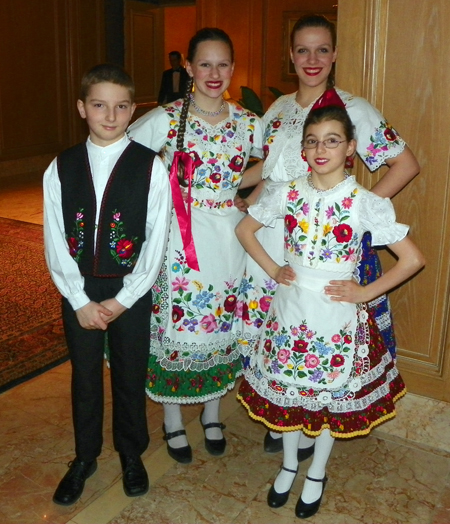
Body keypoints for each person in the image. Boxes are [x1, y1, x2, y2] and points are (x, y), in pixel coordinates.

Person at [235, 13, 420, 457]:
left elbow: (406, 164)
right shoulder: (278, 109)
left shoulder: (353, 109)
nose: (312, 59)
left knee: (317, 335)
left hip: (321, 249)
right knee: (274, 329)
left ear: (334, 56)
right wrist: (241, 190)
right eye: (302, 50)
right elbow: (274, 171)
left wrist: (355, 214)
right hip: (271, 242)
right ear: (291, 57)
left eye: (322, 50)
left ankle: (310, 416)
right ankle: (283, 413)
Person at [235, 104, 425, 519]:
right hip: (289, 309)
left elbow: (412, 260)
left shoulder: (362, 201)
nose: (321, 149)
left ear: (351, 148)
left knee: (328, 394)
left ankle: (316, 471)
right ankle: (288, 465)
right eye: (313, 141)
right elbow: (245, 229)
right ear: (303, 149)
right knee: (288, 386)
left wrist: (364, 294)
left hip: (336, 314)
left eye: (332, 141)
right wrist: (274, 269)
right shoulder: (288, 191)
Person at [128, 28, 263, 464]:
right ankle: (171, 420)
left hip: (229, 241)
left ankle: (211, 414)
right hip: (178, 243)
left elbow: (276, 168)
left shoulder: (247, 122)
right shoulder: (166, 119)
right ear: (187, 67)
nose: (214, 73)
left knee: (221, 326)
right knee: (179, 327)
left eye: (223, 64)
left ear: (233, 68)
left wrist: (250, 195)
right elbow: (124, 158)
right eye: (204, 63)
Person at [43, 63, 171, 505]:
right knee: (85, 377)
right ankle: (84, 456)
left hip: (130, 290)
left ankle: (131, 454)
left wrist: (126, 298)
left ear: (133, 110)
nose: (110, 116)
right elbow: (56, 239)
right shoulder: (61, 167)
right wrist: (78, 298)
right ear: (83, 108)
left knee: (131, 374)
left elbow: (156, 237)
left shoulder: (149, 166)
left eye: (120, 107)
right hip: (78, 291)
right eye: (100, 105)